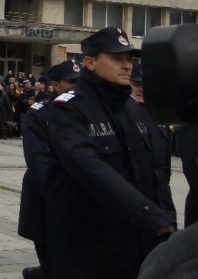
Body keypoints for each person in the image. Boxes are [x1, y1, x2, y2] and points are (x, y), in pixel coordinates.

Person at [46, 27, 176, 278]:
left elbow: (155, 172)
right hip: (89, 242)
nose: (127, 66)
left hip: (135, 239)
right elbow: (89, 168)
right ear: (90, 62)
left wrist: (164, 217)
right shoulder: (69, 109)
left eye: (129, 59)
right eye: (117, 58)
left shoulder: (132, 107)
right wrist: (147, 213)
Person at [17, 60, 80, 279]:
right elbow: (38, 162)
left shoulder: (87, 111)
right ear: (55, 85)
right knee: (54, 262)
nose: (77, 87)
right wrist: (64, 196)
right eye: (72, 82)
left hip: (79, 202)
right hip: (46, 201)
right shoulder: (39, 114)